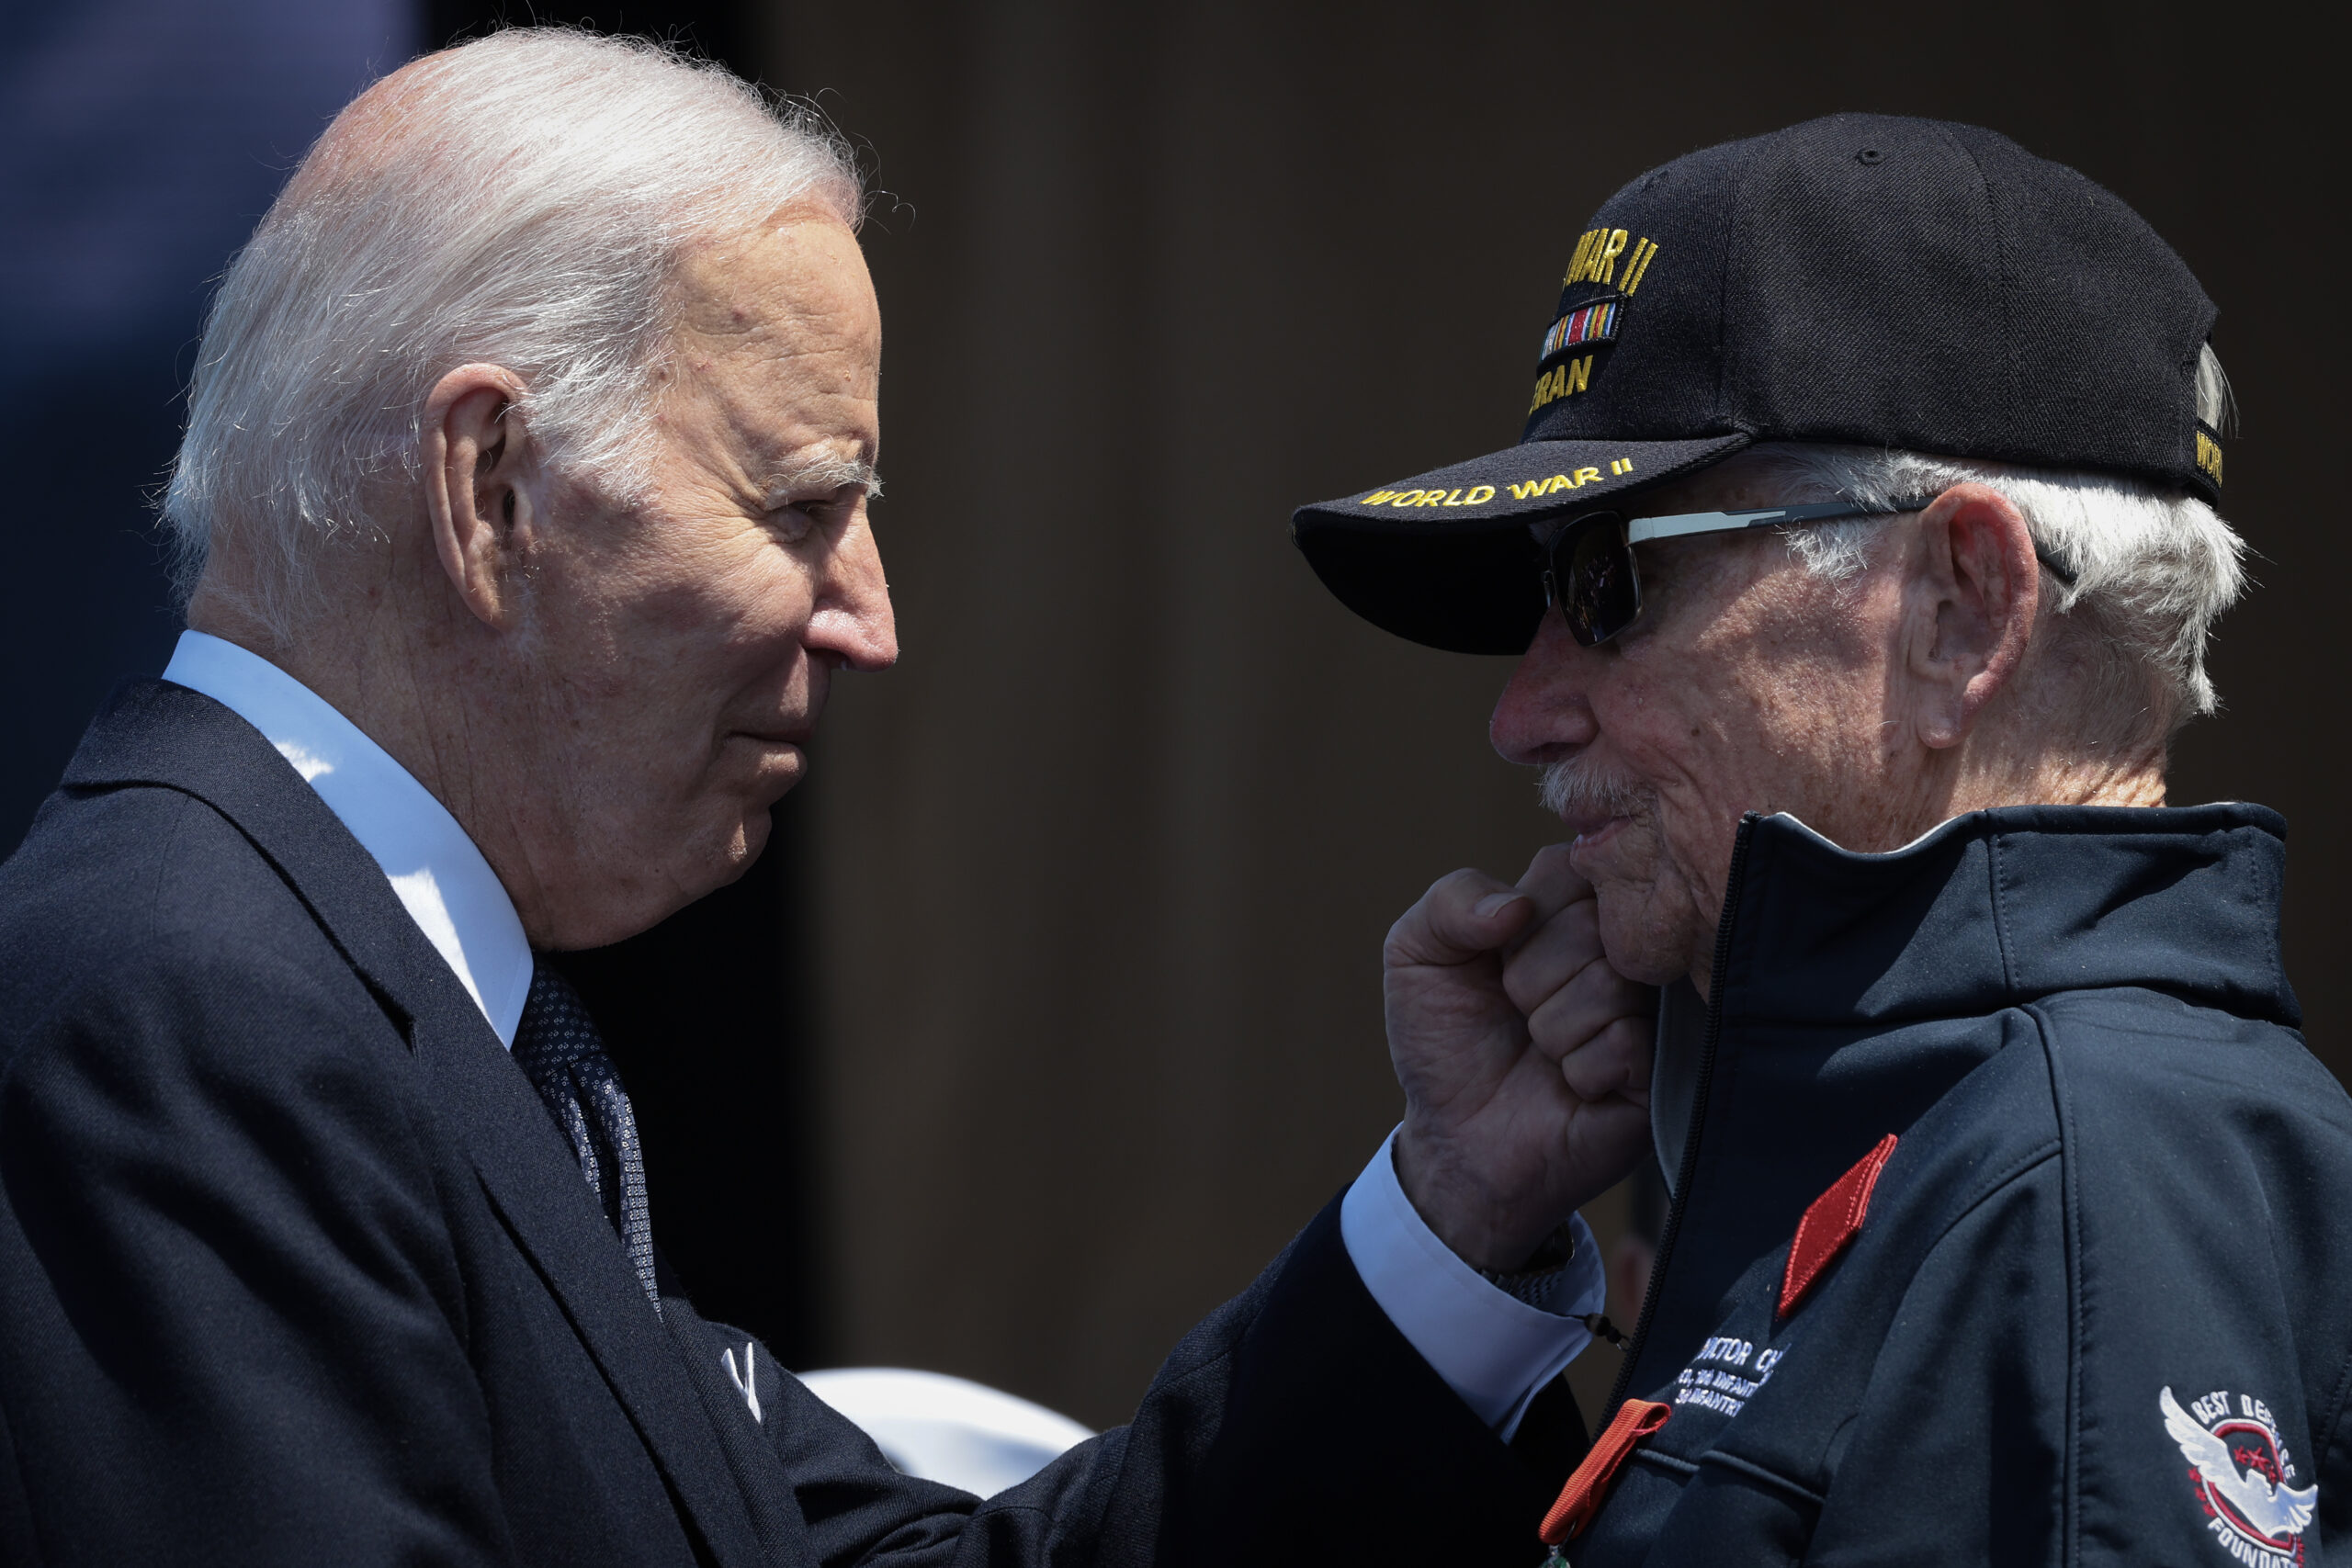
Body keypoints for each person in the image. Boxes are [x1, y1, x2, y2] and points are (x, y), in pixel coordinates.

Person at [0, 30, 1654, 1568]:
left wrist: (1457, 1210)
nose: (870, 620)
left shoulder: (378, 1003)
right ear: (488, 487)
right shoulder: (176, 1008)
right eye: (798, 505)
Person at [1294, 113, 2351, 1565]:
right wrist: (1466, 1206)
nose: (1524, 712)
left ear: (1960, 607)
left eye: (1606, 583)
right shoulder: (1939, 1129)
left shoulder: (2070, 1180)